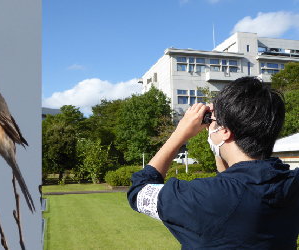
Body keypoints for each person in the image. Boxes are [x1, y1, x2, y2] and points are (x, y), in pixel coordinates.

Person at [127, 77, 299, 249]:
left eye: (212, 121)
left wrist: (179, 134)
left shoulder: (204, 197)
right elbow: (236, 183)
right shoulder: (291, 184)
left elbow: (139, 190)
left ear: (225, 131)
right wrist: (218, 144)